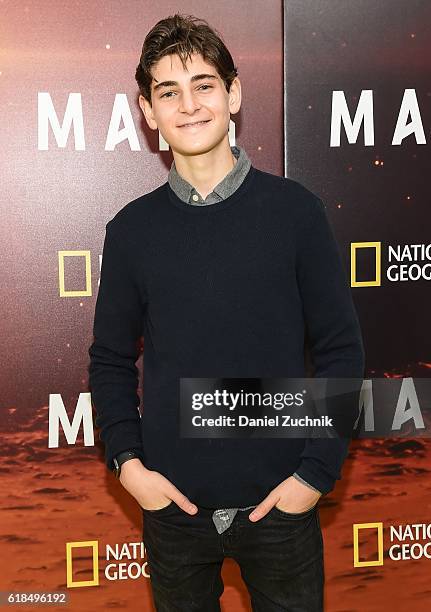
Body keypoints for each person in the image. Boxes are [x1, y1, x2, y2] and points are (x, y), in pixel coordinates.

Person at [88, 12, 365, 612]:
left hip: (283, 509)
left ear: (234, 93)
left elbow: (342, 349)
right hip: (174, 515)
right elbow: (109, 359)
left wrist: (314, 476)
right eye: (169, 92)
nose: (188, 105)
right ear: (148, 110)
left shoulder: (297, 214)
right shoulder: (132, 231)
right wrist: (131, 469)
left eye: (204, 85)